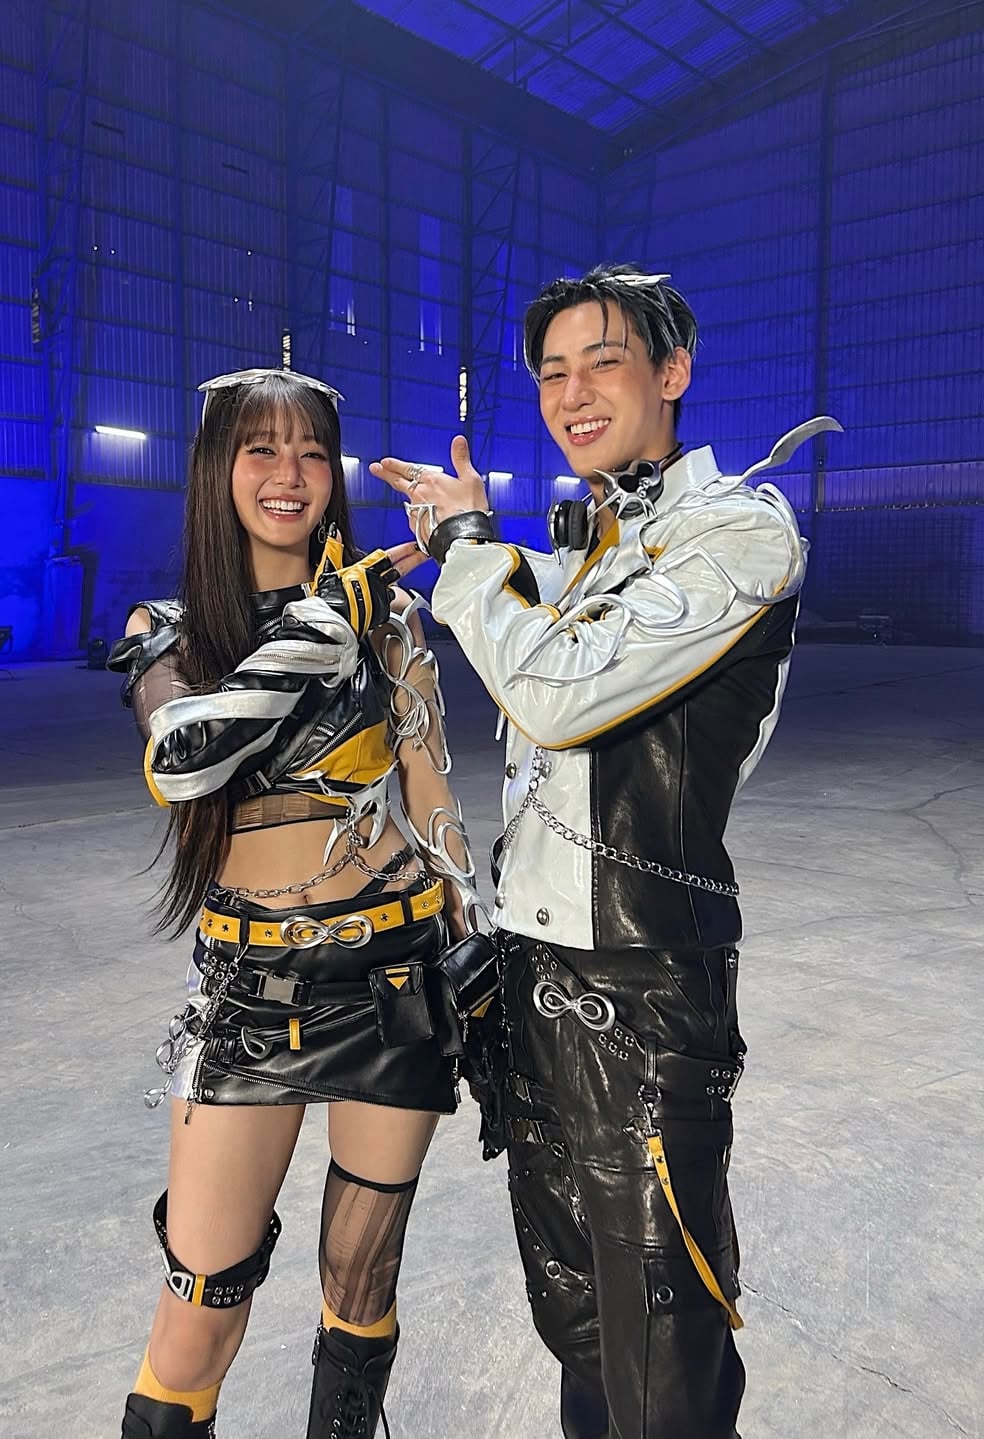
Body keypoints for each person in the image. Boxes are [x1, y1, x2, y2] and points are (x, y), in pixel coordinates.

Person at [372, 263, 838, 1439]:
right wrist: (470, 548)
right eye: (552, 373)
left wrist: (469, 547)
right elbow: (532, 632)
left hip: (641, 993)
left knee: (660, 1349)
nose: (573, 393)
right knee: (582, 1325)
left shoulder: (737, 528)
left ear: (672, 372)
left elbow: (558, 689)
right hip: (539, 981)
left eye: (604, 362)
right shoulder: (597, 543)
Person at [108, 367, 482, 1439]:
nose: (290, 473)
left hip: (393, 983)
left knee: (361, 1287)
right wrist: (321, 626)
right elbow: (183, 756)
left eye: (312, 451)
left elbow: (431, 791)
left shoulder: (390, 617)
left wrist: (475, 934)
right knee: (199, 1304)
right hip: (250, 997)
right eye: (261, 449)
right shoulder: (168, 628)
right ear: (216, 469)